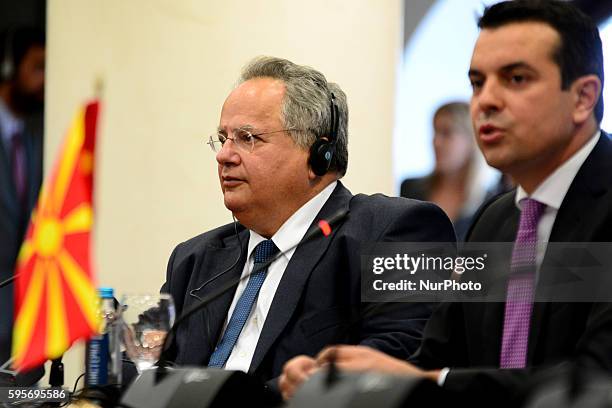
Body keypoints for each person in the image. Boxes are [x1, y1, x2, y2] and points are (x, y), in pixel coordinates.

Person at [280, 1, 611, 405]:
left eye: (517, 78)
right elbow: (440, 356)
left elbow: (596, 381)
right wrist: (350, 377)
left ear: (582, 97)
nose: (486, 101)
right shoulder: (497, 219)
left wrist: (430, 381)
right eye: (477, 83)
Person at [160, 56, 455, 390]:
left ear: (319, 155)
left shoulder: (399, 230)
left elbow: (397, 359)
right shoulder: (193, 259)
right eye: (223, 138)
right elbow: (146, 365)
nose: (224, 155)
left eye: (247, 138)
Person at [0, 26, 45, 369]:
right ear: (10, 68)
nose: (45, 79)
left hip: (18, 321)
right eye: (38, 67)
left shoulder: (34, 137)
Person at [400, 102, 494, 240]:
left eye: (447, 133)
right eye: (435, 132)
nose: (436, 142)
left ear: (471, 141)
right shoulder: (410, 189)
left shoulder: (490, 205)